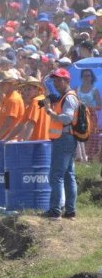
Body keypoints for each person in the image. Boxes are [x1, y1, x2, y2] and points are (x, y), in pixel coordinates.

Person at [41, 68, 80, 219]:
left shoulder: (68, 98)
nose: (56, 83)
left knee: (55, 175)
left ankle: (55, 210)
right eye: (55, 80)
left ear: (67, 81)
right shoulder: (65, 96)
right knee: (68, 174)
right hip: (66, 138)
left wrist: (50, 112)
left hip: (64, 139)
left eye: (59, 80)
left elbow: (66, 119)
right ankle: (70, 211)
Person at [9, 76, 50, 141]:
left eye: (29, 89)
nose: (27, 92)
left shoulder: (36, 101)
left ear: (37, 89)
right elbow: (21, 125)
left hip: (36, 142)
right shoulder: (42, 100)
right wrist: (7, 138)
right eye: (25, 89)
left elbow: (31, 124)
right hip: (45, 141)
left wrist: (25, 142)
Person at [0, 72, 25, 141]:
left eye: (3, 84)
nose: (0, 86)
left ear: (11, 84)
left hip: (11, 141)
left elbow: (7, 125)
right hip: (3, 139)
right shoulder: (6, 98)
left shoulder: (13, 99)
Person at [76, 69, 102, 162]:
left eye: (88, 75)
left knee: (91, 137)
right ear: (82, 77)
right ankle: (81, 157)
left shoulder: (95, 90)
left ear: (92, 77)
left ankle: (88, 157)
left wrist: (88, 107)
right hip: (79, 115)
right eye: (85, 75)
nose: (87, 77)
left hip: (91, 116)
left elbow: (100, 106)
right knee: (79, 135)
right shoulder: (76, 89)